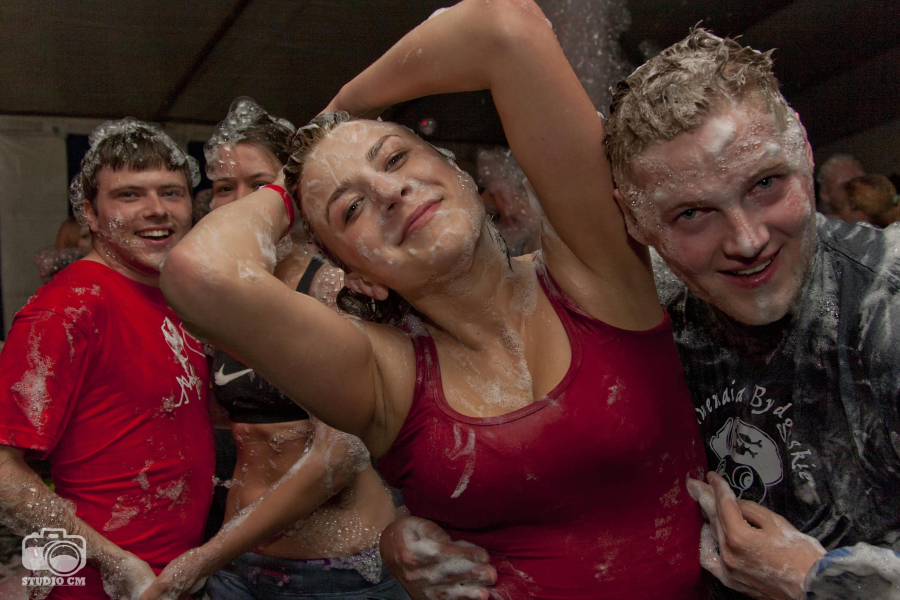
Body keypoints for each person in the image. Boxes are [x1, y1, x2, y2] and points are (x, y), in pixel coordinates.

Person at [159, 1, 707, 598]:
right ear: (356, 273)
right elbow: (199, 274)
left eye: (395, 159)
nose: (389, 191)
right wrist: (288, 187)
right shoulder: (386, 376)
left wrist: (344, 108)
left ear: (458, 172)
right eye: (351, 208)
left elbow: (504, 26)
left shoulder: (594, 267)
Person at [384, 27, 900, 600]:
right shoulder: (638, 305)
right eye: (692, 215)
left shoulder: (886, 307)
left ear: (803, 148)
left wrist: (820, 580)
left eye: (766, 184)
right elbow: (536, 449)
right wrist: (413, 531)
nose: (748, 240)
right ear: (635, 222)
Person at [140, 98, 406, 600]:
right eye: (224, 188)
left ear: (291, 194)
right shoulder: (222, 301)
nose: (241, 201)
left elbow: (338, 457)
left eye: (260, 185)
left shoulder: (332, 287)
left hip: (334, 573)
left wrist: (204, 557)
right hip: (240, 566)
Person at [0, 118, 214, 600]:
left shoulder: (173, 295)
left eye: (171, 193)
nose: (157, 210)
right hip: (99, 585)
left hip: (175, 577)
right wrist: (118, 565)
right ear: (90, 215)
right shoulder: (68, 308)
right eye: (129, 195)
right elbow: (3, 473)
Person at [816, 153, 865, 220]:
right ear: (825, 194)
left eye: (859, 186)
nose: (853, 192)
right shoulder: (819, 224)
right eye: (845, 187)